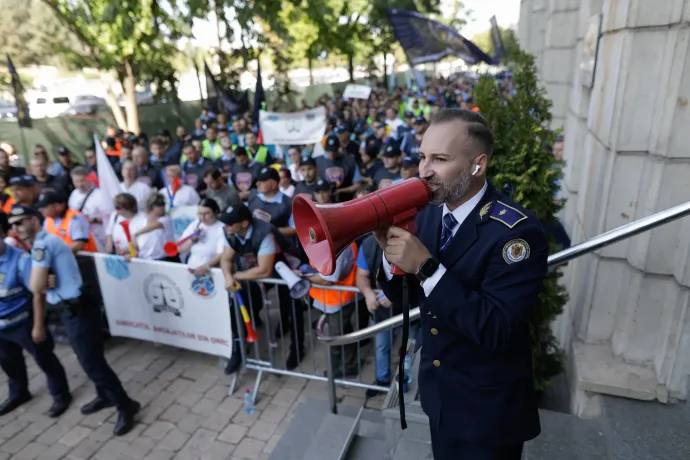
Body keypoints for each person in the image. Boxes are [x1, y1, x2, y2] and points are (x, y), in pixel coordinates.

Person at [374, 109, 548, 460]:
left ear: (477, 165)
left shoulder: (516, 233)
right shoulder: (426, 214)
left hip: (488, 411)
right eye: (423, 157)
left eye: (440, 159)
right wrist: (389, 256)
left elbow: (496, 328)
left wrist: (424, 266)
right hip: (441, 397)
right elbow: (402, 299)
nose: (424, 171)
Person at [12, 205, 140, 435]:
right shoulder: (39, 244)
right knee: (88, 357)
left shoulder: (43, 243)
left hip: (77, 309)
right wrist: (42, 278)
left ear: (33, 220)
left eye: (19, 222)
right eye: (12, 224)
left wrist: (40, 278)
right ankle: (104, 395)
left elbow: (36, 286)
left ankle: (126, 404)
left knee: (92, 362)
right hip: (73, 308)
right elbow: (41, 283)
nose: (15, 228)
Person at [0, 210, 71, 417]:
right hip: (2, 328)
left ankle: (60, 395)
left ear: (3, 233)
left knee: (45, 360)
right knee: (8, 362)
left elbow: (37, 294)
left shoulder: (22, 261)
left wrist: (38, 326)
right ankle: (19, 393)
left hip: (24, 323)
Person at [220, 205, 305, 371]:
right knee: (241, 299)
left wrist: (236, 276)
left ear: (244, 224)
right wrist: (228, 276)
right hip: (260, 266)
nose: (226, 227)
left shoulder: (265, 233)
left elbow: (264, 271)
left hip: (287, 267)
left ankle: (297, 348)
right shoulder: (230, 232)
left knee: (292, 307)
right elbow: (226, 259)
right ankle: (239, 347)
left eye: (230, 223)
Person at [179, 198, 225, 276]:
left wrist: (204, 267)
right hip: (192, 268)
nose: (202, 218)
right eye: (200, 214)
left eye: (207, 213)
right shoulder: (195, 224)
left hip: (212, 271)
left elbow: (221, 255)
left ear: (216, 212)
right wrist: (192, 240)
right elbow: (180, 249)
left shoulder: (221, 228)